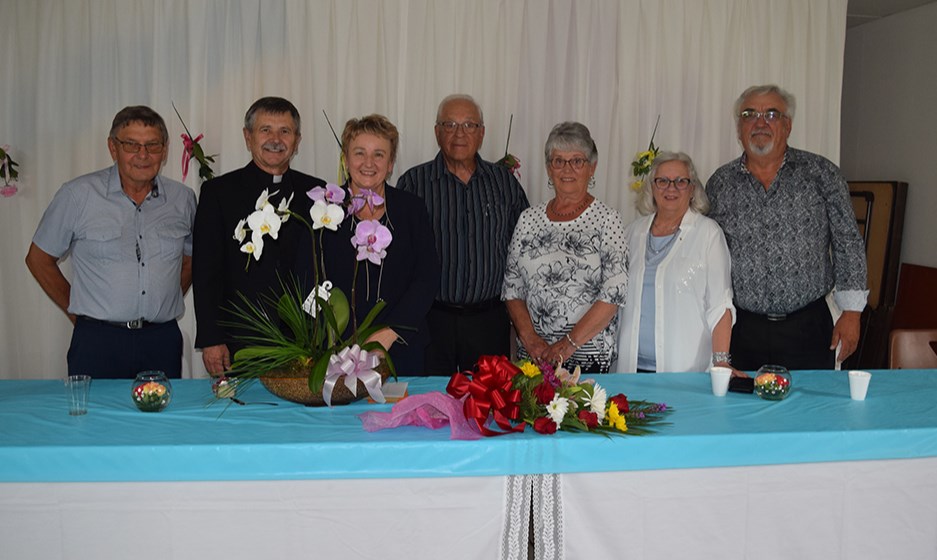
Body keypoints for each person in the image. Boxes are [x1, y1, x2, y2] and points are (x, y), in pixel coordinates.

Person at [25, 106, 196, 378]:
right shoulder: (77, 195)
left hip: (161, 341)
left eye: (152, 145)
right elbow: (38, 259)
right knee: (94, 419)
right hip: (97, 342)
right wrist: (79, 313)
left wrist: (164, 298)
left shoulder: (183, 199)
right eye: (131, 145)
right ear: (112, 148)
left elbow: (191, 258)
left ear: (164, 150)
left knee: (161, 420)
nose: (143, 155)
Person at [706, 84, 868, 371]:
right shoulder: (720, 183)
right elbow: (707, 252)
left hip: (809, 327)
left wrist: (852, 313)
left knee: (810, 412)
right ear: (739, 126)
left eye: (771, 114)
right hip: (742, 329)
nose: (760, 122)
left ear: (787, 125)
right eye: (749, 114)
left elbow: (848, 241)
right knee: (741, 412)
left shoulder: (822, 173)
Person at [192, 97, 326, 375]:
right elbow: (206, 273)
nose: (275, 139)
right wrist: (211, 338)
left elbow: (324, 269)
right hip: (238, 342)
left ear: (297, 140)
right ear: (247, 136)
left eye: (285, 131)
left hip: (305, 342)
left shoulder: (316, 192)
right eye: (265, 130)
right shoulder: (218, 193)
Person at [397, 94, 529, 374]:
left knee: (490, 405)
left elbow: (524, 249)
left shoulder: (504, 183)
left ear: (481, 134)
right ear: (437, 132)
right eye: (450, 124)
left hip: (489, 319)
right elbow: (400, 255)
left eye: (469, 125)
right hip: (431, 319)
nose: (459, 133)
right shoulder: (413, 183)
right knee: (431, 403)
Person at [298, 114, 439, 374]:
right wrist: (329, 333)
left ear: (391, 164)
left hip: (401, 346)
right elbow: (307, 277)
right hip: (336, 349)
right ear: (345, 158)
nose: (368, 163)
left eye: (379, 155)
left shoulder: (411, 210)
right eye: (359, 153)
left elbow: (426, 278)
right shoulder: (323, 211)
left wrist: (391, 332)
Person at [502, 122, 627, 373]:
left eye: (577, 161)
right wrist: (531, 340)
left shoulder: (608, 220)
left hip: (587, 357)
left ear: (592, 167)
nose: (567, 169)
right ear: (549, 168)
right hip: (534, 358)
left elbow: (614, 293)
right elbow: (512, 288)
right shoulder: (528, 219)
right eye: (559, 161)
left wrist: (566, 345)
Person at [616, 152, 735, 373]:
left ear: (692, 189)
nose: (671, 188)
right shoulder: (631, 233)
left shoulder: (708, 234)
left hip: (685, 372)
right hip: (631, 371)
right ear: (652, 188)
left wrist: (721, 362)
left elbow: (720, 306)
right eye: (662, 181)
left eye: (681, 181)